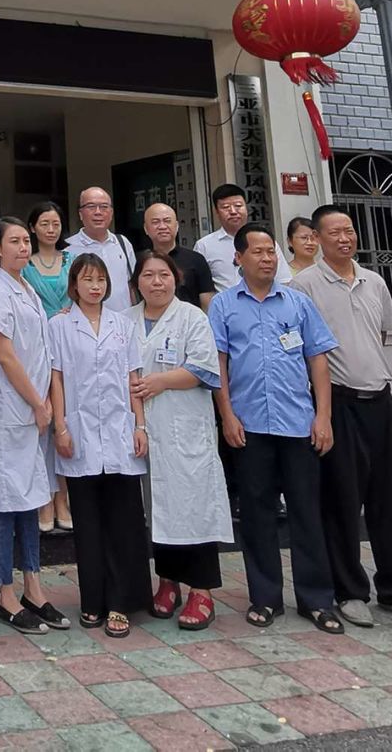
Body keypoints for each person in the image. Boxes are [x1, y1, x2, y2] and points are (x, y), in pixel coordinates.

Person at [290, 206, 392, 628]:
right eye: (334, 232)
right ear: (317, 238)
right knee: (341, 500)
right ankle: (349, 591)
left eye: (349, 230)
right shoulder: (303, 286)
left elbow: (385, 335)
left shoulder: (374, 281)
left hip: (380, 399)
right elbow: (303, 352)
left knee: (391, 499)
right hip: (338, 403)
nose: (344, 238)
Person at [210, 225, 343, 634]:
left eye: (271, 252)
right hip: (248, 427)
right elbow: (220, 365)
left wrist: (323, 417)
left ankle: (316, 599)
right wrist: (227, 416)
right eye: (258, 252)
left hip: (298, 424)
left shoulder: (298, 304)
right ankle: (265, 598)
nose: (267, 258)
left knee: (306, 513)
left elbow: (318, 360)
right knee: (257, 515)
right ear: (239, 258)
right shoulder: (223, 306)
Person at [48, 254, 151, 636]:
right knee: (88, 524)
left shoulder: (123, 326)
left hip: (121, 434)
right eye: (87, 279)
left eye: (101, 279)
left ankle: (122, 602)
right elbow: (55, 379)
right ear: (74, 284)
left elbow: (133, 378)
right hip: (80, 434)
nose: (95, 286)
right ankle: (92, 600)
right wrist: (60, 426)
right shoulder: (58, 325)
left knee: (123, 522)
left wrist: (140, 426)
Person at [132, 248, 233, 631]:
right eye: (148, 275)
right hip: (144, 431)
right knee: (157, 509)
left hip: (184, 428)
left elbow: (206, 370)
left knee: (193, 506)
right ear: (136, 282)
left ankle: (202, 591)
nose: (156, 282)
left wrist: (160, 380)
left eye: (164, 275)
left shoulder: (192, 317)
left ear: (177, 279)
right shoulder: (125, 320)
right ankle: (167, 582)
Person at [0, 217, 67, 633]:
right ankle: (4, 592)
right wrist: (37, 401)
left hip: (34, 411)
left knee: (30, 499)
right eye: (13, 241)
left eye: (25, 241)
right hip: (11, 411)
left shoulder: (28, 287)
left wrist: (46, 401)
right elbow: (6, 354)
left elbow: (41, 351)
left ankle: (34, 585)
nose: (22, 247)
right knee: (6, 504)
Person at [21, 200, 73, 534]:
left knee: (66, 421)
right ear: (33, 228)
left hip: (70, 342)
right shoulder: (25, 264)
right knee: (42, 422)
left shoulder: (72, 260)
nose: (50, 229)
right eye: (44, 223)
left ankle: (64, 500)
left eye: (55, 223)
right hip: (37, 346)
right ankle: (44, 499)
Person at [64, 186, 133, 312]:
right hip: (86, 325)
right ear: (80, 214)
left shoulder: (123, 243)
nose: (98, 212)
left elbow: (131, 285)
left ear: (111, 213)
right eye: (91, 207)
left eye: (104, 207)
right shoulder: (67, 249)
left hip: (124, 323)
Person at [143, 201, 215, 312]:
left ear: (176, 226)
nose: (162, 226)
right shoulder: (141, 261)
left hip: (190, 325)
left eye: (167, 221)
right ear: (146, 229)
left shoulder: (196, 259)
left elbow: (208, 303)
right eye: (155, 222)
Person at [194, 184, 248, 295]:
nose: (233, 211)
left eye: (238, 205)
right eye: (226, 207)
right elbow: (198, 287)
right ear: (217, 212)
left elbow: (282, 281)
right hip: (224, 310)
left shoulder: (266, 241)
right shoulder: (204, 246)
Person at [283, 218, 321, 283]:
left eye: (313, 238)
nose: (310, 242)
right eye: (304, 238)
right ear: (290, 241)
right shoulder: (284, 273)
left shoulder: (324, 270)